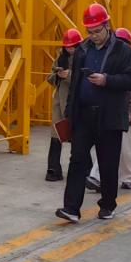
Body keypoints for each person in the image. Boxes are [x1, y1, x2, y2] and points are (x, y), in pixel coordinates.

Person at [54, 3, 131, 223]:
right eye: (90, 31)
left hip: (109, 117)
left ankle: (108, 205)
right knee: (77, 161)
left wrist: (107, 80)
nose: (93, 36)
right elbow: (75, 84)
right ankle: (71, 208)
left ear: (107, 25)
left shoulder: (122, 50)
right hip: (84, 116)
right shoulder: (83, 49)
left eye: (97, 31)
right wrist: (69, 114)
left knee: (108, 163)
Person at [86, 27, 131, 190]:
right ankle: (101, 176)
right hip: (110, 111)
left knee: (125, 148)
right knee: (112, 146)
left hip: (125, 113)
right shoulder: (107, 66)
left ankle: (123, 177)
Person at [46, 28, 82, 181]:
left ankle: (81, 169)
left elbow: (86, 78)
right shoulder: (61, 58)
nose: (69, 49)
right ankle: (53, 169)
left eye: (72, 47)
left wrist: (70, 75)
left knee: (79, 138)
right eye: (67, 47)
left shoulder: (85, 57)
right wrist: (58, 75)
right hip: (59, 102)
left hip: (77, 103)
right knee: (56, 135)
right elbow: (50, 77)